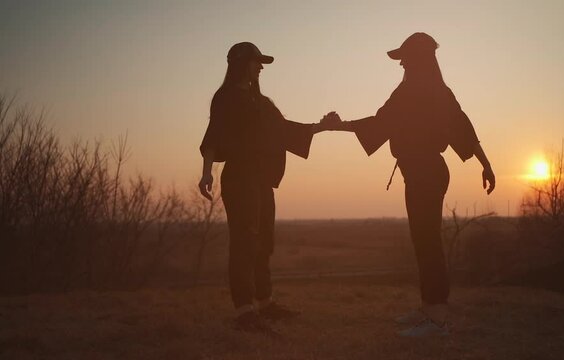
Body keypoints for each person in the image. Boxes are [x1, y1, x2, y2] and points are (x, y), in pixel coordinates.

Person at [322, 32, 495, 337]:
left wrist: (339, 126)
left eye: (404, 58)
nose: (400, 64)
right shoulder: (433, 90)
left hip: (425, 172)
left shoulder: (417, 91)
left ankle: (437, 319)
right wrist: (485, 164)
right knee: (423, 241)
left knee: (428, 243)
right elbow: (463, 129)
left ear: (417, 59)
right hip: (422, 171)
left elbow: (383, 123)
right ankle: (429, 308)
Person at [198, 42, 332, 332]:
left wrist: (322, 127)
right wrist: (206, 173)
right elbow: (213, 137)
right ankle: (244, 310)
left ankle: (265, 302)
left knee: (263, 242)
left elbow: (286, 130)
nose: (260, 68)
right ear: (241, 63)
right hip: (239, 178)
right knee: (244, 241)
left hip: (261, 179)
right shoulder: (225, 98)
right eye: (256, 62)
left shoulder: (264, 103)